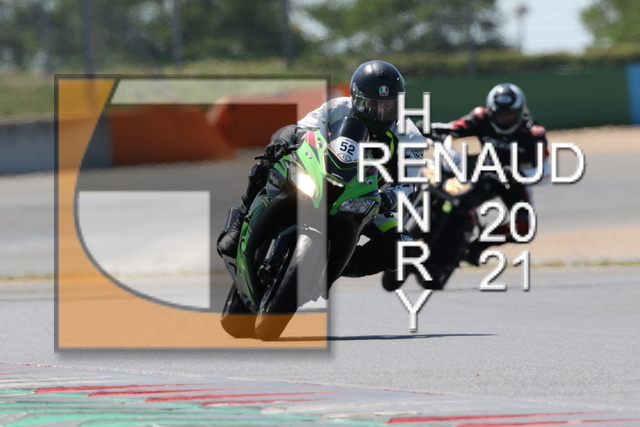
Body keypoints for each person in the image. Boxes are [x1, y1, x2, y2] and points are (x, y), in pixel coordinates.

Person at [217, 60, 424, 281]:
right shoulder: (337, 108)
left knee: (403, 246)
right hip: (319, 174)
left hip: (366, 198)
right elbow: (301, 129)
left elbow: (411, 183)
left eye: (389, 106)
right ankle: (240, 221)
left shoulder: (410, 135)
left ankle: (335, 265)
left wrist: (391, 197)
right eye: (371, 105)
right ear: (356, 98)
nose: (380, 113)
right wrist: (282, 142)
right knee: (267, 163)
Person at [429, 83, 550, 266]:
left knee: (524, 228)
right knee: (439, 175)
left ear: (521, 111)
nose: (504, 119)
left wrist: (519, 174)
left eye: (509, 114)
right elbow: (453, 128)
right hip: (482, 169)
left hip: (512, 181)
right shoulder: (481, 117)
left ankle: (479, 245)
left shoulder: (534, 133)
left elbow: (544, 170)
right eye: (499, 114)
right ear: (490, 111)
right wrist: (429, 129)